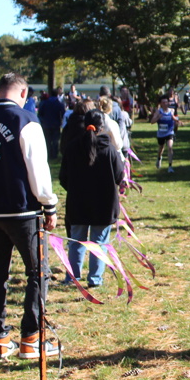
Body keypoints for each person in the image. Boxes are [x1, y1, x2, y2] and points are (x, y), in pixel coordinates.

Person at [0, 73, 61, 360]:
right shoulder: (26, 120)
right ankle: (31, 337)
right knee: (38, 272)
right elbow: (38, 167)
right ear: (23, 94)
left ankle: (0, 339)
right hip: (22, 210)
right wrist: (49, 204)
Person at [59, 110, 125, 288]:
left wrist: (75, 190)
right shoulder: (110, 150)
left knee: (76, 242)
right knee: (99, 242)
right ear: (102, 127)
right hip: (103, 205)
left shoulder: (72, 148)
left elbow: (63, 177)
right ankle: (95, 278)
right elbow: (119, 176)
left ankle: (73, 276)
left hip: (78, 204)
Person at [151, 95, 180, 172]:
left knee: (170, 147)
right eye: (163, 102)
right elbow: (152, 121)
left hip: (170, 132)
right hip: (161, 133)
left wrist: (177, 121)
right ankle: (159, 158)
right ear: (160, 104)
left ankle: (170, 166)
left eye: (166, 102)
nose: (165, 104)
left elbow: (176, 118)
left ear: (168, 103)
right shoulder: (158, 111)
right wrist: (158, 117)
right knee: (161, 148)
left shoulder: (172, 111)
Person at [37, 87, 65, 159]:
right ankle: (54, 154)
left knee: (47, 140)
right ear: (57, 95)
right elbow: (63, 113)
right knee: (55, 140)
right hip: (56, 123)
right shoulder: (59, 103)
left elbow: (40, 113)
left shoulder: (45, 102)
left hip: (46, 123)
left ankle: (48, 154)